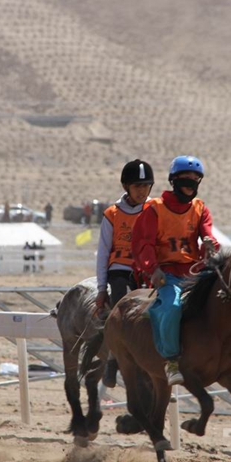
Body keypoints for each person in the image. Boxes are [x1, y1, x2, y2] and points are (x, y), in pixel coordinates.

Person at [132, 156, 231, 386]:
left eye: (195, 179)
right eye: (185, 178)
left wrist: (209, 244)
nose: (190, 183)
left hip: (196, 275)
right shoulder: (154, 209)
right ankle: (172, 362)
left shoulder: (200, 208)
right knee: (172, 306)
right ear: (173, 180)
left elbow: (208, 235)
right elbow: (142, 245)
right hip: (167, 275)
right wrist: (153, 270)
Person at [96, 160, 154, 386]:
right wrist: (102, 288)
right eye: (137, 186)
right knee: (120, 306)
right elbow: (102, 252)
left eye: (146, 186)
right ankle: (113, 358)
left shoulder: (155, 209)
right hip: (120, 269)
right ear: (126, 187)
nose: (142, 191)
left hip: (147, 268)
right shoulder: (112, 213)